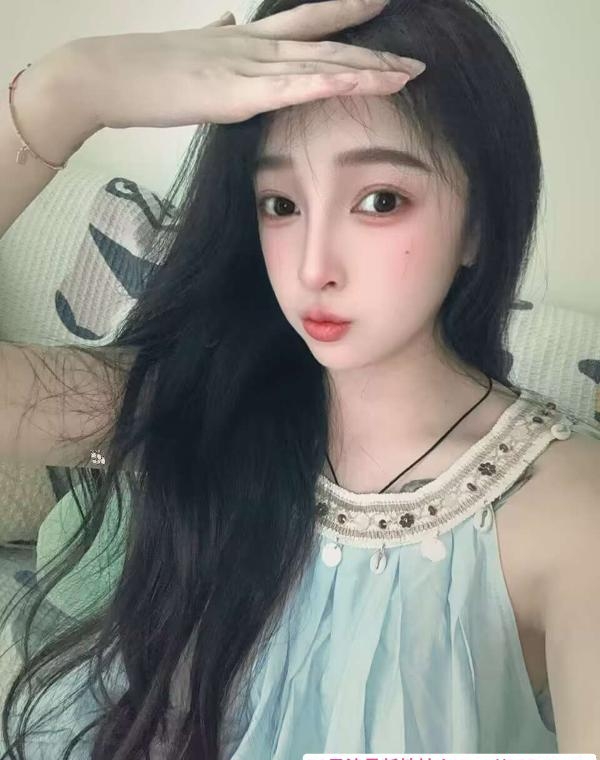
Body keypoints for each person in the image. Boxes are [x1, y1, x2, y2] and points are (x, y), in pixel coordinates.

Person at [0, 0, 599, 757]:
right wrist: (70, 91)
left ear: (477, 223)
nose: (314, 267)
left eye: (380, 201)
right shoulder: (201, 403)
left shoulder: (568, 515)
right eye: (280, 204)